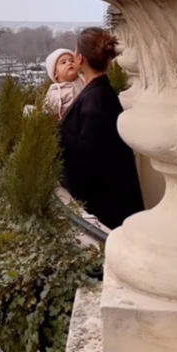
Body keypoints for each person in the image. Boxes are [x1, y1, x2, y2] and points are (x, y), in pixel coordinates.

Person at [60, 27, 144, 230]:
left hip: (106, 212)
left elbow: (88, 162)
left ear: (80, 59)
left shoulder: (94, 101)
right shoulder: (99, 94)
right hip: (113, 204)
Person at [44, 48, 85, 120]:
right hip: (70, 126)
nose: (69, 63)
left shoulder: (84, 80)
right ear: (55, 73)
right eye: (63, 62)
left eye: (72, 61)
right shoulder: (55, 92)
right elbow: (48, 113)